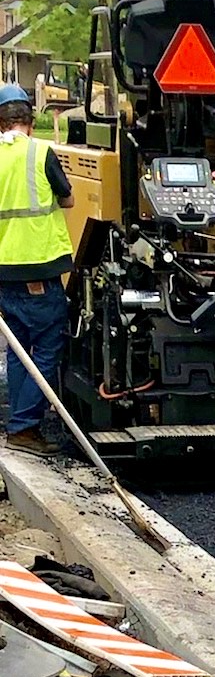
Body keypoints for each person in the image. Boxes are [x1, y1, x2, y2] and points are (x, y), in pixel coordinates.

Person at [0, 86, 73, 454]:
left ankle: (21, 422)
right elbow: (68, 197)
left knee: (17, 349)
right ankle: (24, 427)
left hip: (4, 269)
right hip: (38, 268)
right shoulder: (41, 151)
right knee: (46, 346)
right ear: (30, 121)